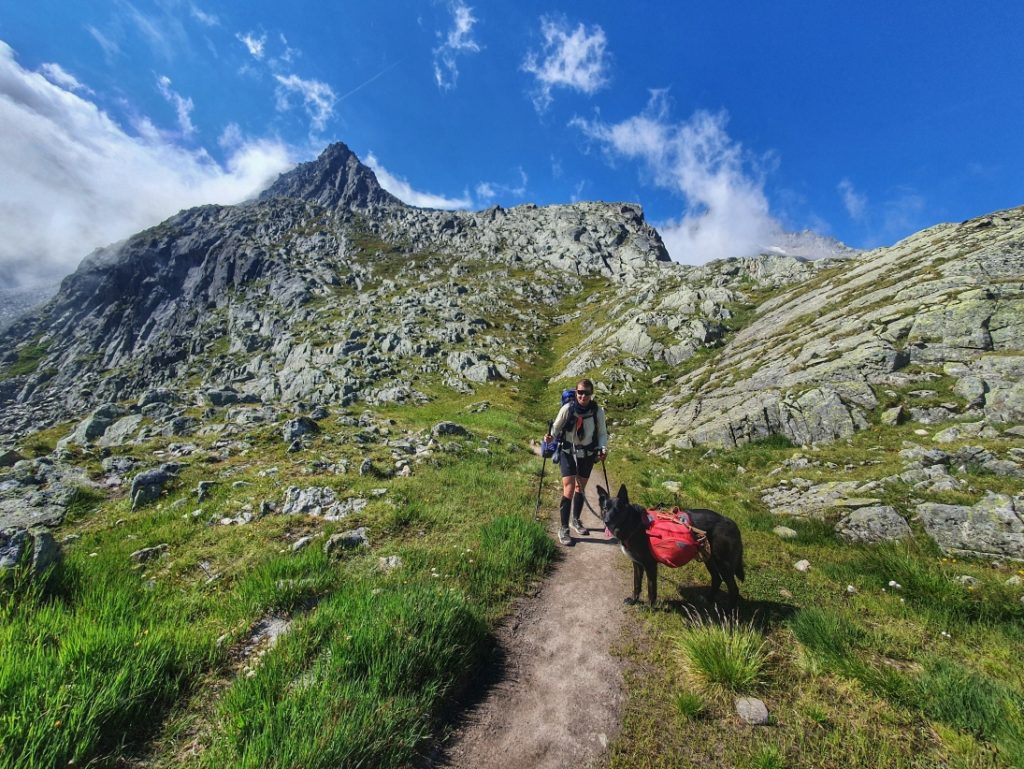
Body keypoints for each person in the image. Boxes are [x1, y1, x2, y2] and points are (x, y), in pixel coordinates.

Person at [544, 378, 608, 546]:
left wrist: (602, 448)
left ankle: (576, 520)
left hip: (587, 454)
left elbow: (602, 433)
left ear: (591, 394)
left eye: (586, 393)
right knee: (569, 488)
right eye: (580, 392)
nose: (583, 396)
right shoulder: (567, 408)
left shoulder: (597, 411)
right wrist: (550, 436)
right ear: (576, 392)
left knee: (581, 488)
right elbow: (556, 428)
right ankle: (564, 528)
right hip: (567, 451)